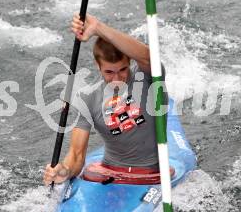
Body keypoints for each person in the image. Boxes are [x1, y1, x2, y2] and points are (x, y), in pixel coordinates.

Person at [43, 14, 166, 185]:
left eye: (122, 70)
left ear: (130, 61)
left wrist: (99, 28)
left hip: (153, 172)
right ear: (98, 66)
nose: (117, 78)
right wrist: (64, 171)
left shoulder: (147, 78)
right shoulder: (88, 98)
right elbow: (77, 156)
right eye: (109, 72)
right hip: (111, 173)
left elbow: (147, 56)